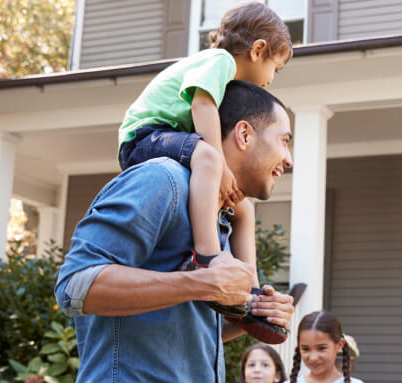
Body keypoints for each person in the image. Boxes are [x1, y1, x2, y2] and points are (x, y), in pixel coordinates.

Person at [55, 80, 296, 383]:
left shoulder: (221, 223)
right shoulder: (161, 181)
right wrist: (202, 284)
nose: (289, 160)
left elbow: (193, 326)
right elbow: (74, 286)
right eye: (284, 140)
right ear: (244, 135)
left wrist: (251, 317)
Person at [117, 1, 292, 277]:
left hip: (164, 136)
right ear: (258, 50)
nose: (272, 78)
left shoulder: (221, 74)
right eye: (276, 68)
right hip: (144, 135)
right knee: (208, 156)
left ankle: (251, 288)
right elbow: (202, 106)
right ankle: (208, 255)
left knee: (242, 206)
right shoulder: (219, 61)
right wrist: (219, 165)